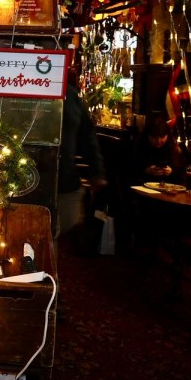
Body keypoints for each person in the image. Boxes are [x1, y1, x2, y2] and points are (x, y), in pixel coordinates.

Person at [55, 69, 108, 247]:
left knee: (58, 227)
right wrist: (97, 172)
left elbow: (87, 136)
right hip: (51, 175)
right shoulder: (70, 95)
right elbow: (88, 137)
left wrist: (97, 171)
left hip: (64, 177)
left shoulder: (71, 96)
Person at [132, 114, 185, 186]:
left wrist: (171, 172)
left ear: (167, 135)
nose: (158, 141)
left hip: (168, 191)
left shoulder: (174, 150)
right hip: (143, 189)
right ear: (147, 135)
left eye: (162, 136)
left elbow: (181, 177)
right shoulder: (139, 148)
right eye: (154, 137)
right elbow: (129, 173)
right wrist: (146, 171)